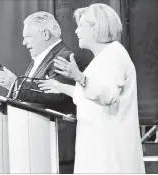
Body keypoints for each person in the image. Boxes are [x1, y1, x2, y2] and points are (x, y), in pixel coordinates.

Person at [38, 3, 145, 173]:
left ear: (97, 28)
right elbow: (88, 95)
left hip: (109, 152)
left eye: (81, 26)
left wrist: (79, 77)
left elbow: (108, 95)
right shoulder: (103, 58)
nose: (76, 31)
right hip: (98, 146)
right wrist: (60, 86)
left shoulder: (114, 56)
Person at [0, 11, 87, 173]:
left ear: (44, 34)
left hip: (56, 145)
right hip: (35, 143)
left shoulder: (65, 57)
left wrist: (16, 85)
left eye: (28, 37)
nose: (23, 42)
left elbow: (56, 94)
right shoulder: (37, 61)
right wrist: (14, 88)